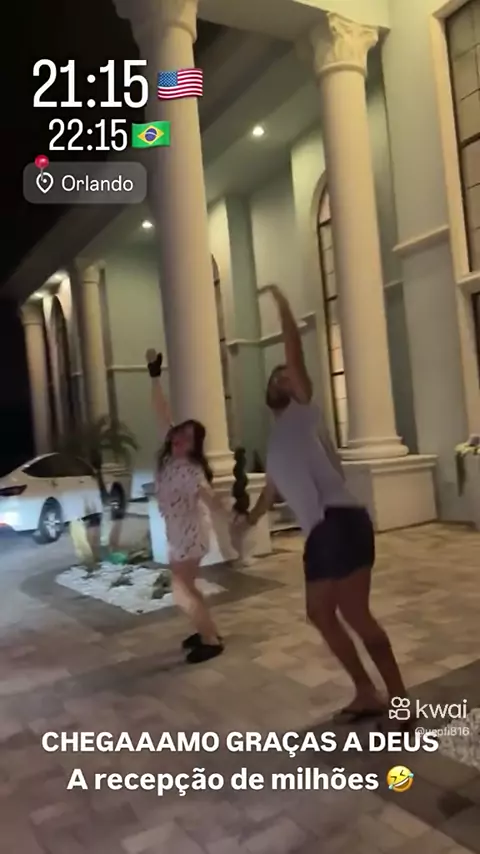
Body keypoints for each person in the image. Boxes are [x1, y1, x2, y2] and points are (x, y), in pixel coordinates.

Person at [236, 286, 407, 721]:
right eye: (276, 377)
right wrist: (247, 521)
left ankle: (396, 700)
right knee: (327, 613)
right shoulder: (279, 442)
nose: (282, 379)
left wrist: (283, 307)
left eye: (287, 376)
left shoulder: (303, 412)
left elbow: (294, 355)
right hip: (332, 528)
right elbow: (270, 493)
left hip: (336, 524)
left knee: (348, 614)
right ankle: (368, 692)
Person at [146, 349, 224, 664]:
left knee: (182, 590)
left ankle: (210, 640)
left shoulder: (190, 470)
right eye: (179, 434)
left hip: (190, 537)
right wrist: (154, 376)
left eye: (186, 438)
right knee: (187, 588)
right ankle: (208, 631)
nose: (178, 439)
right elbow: (160, 410)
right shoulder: (170, 456)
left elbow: (207, 495)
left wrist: (230, 514)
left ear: (194, 446)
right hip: (179, 534)